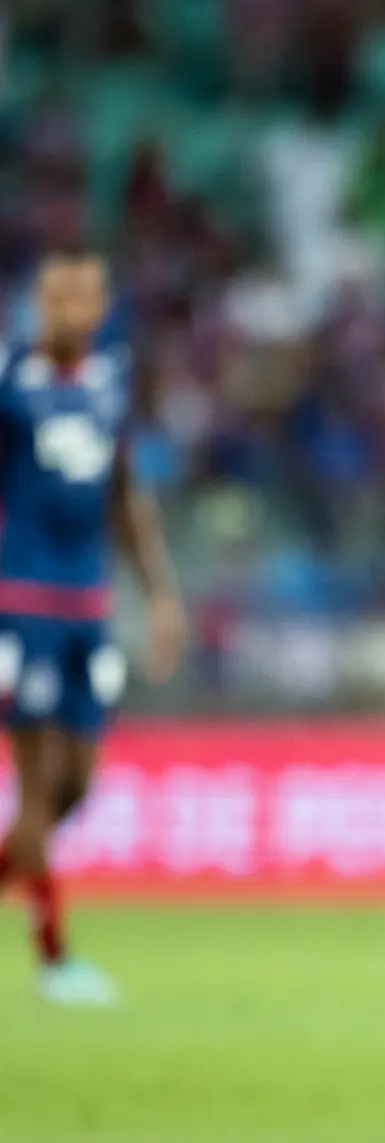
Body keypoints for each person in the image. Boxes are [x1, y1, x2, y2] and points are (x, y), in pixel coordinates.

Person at [0, 251, 183, 1006]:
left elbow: (125, 496)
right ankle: (53, 957)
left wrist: (160, 594)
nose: (72, 312)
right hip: (24, 604)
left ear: (102, 307)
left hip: (89, 606)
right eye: (59, 299)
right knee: (37, 786)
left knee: (75, 786)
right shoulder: (12, 386)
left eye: (84, 299)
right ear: (40, 306)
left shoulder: (108, 384)